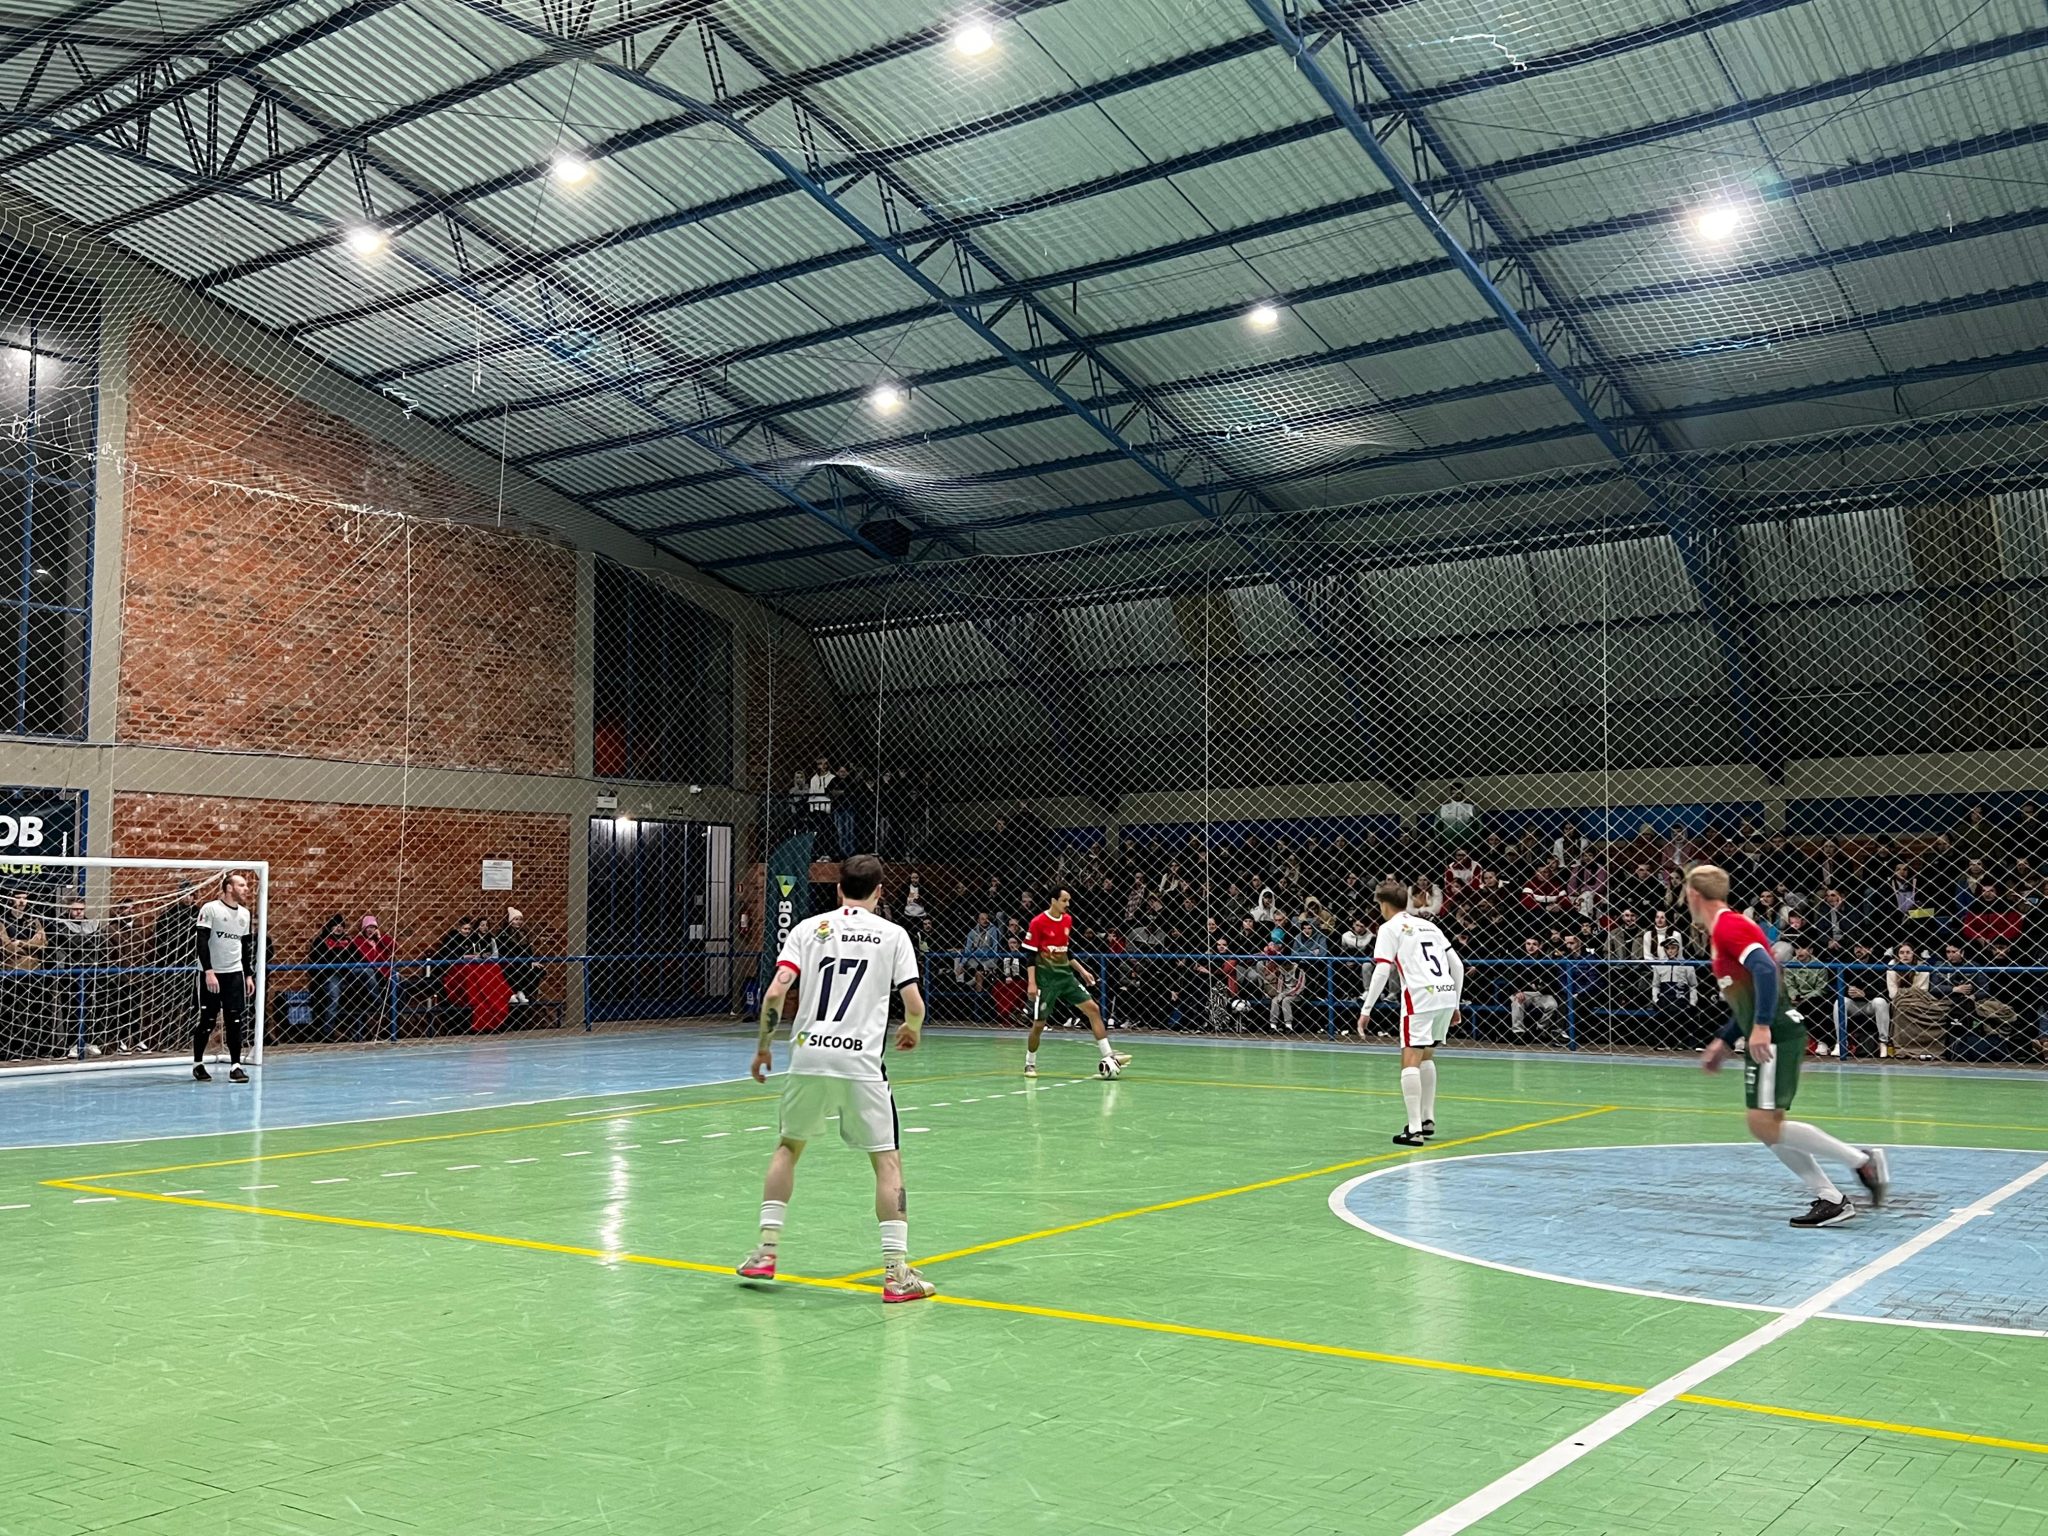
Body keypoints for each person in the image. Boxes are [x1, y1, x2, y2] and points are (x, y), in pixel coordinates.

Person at [737, 854, 933, 1301]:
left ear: (839, 889)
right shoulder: (894, 935)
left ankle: (766, 1251)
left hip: (809, 1057)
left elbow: (775, 992)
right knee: (887, 1162)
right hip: (860, 1063)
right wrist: (912, 1029)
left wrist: (764, 1045)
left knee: (788, 1147)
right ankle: (896, 1274)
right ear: (879, 891)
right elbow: (915, 1005)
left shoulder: (808, 929)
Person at [1688, 865, 1888, 1228]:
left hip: (1776, 1033)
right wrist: (1725, 1039)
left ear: (1694, 895)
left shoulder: (1730, 927)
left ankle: (1860, 1162)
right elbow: (1749, 994)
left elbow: (1766, 970)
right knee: (1767, 1125)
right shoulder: (1726, 930)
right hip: (1775, 1031)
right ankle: (1833, 1196)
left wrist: (1761, 1026)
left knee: (1763, 1124)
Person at [1356, 880, 1463, 1146]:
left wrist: (1366, 1009)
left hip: (1420, 996)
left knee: (1410, 1060)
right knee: (1427, 1056)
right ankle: (1427, 1119)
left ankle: (1414, 1129)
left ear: (1383, 905)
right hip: (1445, 992)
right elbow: (1457, 965)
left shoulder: (1388, 928)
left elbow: (1382, 969)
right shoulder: (1429, 925)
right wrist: (1456, 1004)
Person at [1022, 887, 1130, 1079]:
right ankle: (1030, 1063)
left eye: (1069, 900)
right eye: (1064, 900)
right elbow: (1030, 956)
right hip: (1046, 981)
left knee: (1093, 1009)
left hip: (1066, 978)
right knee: (1039, 1024)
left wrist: (1083, 971)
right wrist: (1032, 983)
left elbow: (1066, 951)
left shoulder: (1067, 920)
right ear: (1053, 901)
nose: (1068, 904)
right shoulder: (1038, 922)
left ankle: (1109, 1055)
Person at [193, 870, 256, 1084]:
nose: (246, 889)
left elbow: (245, 946)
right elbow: (202, 942)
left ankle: (236, 1066)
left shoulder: (245, 914)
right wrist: (209, 971)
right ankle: (198, 1064)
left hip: (234, 974)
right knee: (208, 1021)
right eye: (241, 885)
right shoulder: (210, 909)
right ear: (229, 888)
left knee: (235, 1020)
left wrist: (248, 975)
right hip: (211, 975)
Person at [497, 907, 540, 1004]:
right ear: (510, 921)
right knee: (517, 968)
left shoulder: (523, 933)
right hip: (509, 961)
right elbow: (504, 951)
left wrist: (532, 961)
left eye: (520, 919)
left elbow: (528, 950)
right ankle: (516, 992)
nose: (519, 922)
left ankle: (524, 992)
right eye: (516, 919)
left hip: (523, 960)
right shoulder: (503, 934)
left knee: (538, 970)